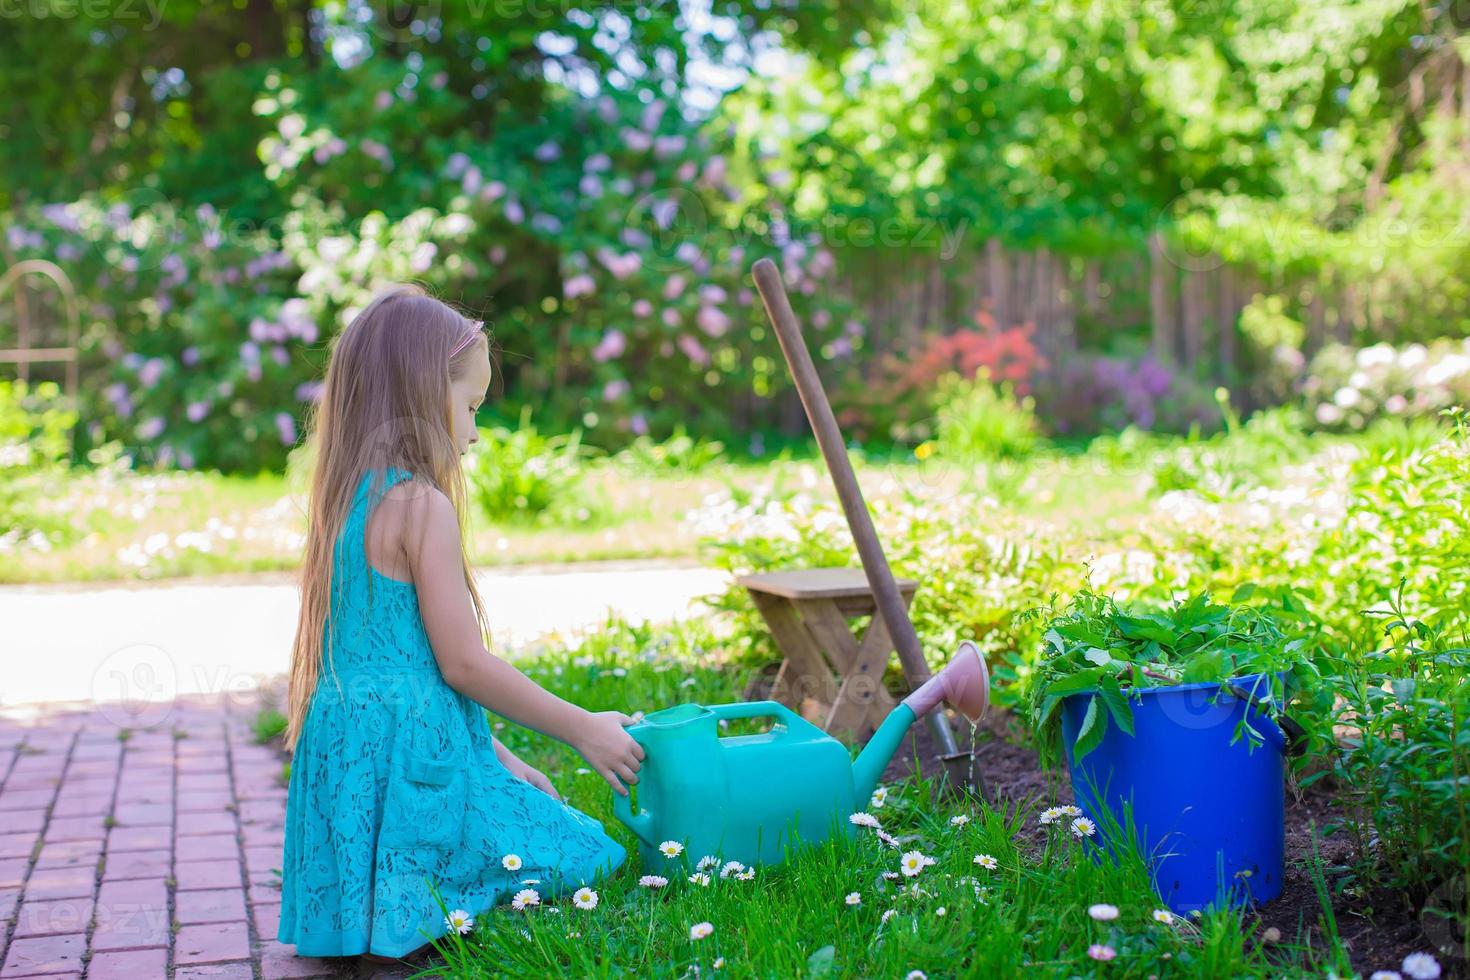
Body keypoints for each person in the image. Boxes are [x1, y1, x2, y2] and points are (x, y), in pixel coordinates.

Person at [276, 284, 642, 964]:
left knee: (528, 805)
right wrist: (583, 727)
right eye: (469, 406)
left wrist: (499, 758)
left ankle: (376, 914)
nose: (473, 431)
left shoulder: (344, 503)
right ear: (419, 395)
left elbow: (402, 664)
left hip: (354, 759)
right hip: (412, 763)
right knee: (590, 850)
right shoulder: (421, 508)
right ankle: (432, 908)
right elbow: (461, 666)